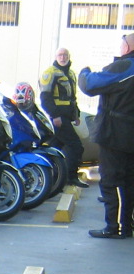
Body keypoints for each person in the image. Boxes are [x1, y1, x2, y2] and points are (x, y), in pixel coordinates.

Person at [78, 33, 134, 239]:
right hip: (127, 135)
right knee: (129, 182)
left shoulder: (125, 67)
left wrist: (84, 72)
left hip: (116, 134)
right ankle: (126, 225)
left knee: (113, 180)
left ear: (127, 47)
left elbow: (90, 84)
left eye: (122, 44)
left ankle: (115, 226)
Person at [39, 46, 85, 187]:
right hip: (58, 118)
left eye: (65, 55)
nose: (63, 57)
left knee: (55, 147)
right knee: (76, 146)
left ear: (69, 56)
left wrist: (76, 114)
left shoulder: (71, 73)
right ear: (55, 57)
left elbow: (72, 97)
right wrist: (55, 116)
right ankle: (71, 177)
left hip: (66, 117)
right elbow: (45, 98)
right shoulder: (50, 73)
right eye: (60, 55)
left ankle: (50, 177)